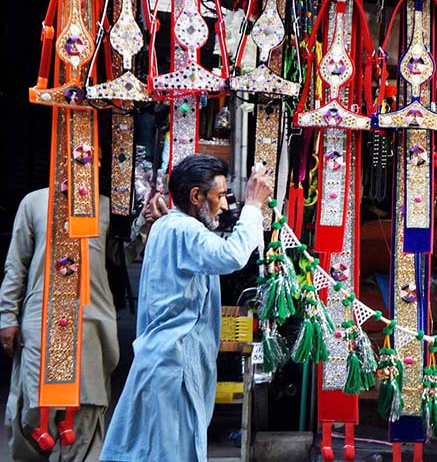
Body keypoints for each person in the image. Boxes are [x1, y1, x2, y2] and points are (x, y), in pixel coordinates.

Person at [100, 155, 271, 462]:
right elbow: (232, 255)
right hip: (173, 367)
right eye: (218, 196)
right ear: (196, 196)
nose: (222, 205)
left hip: (164, 364)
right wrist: (253, 206)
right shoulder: (183, 230)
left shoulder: (171, 226)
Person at [0, 186, 163, 462]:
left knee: (87, 409)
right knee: (34, 406)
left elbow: (120, 255)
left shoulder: (103, 206)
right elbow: (16, 264)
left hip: (91, 323)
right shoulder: (34, 203)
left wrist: (144, 225)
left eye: (96, 157)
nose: (90, 160)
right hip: (41, 320)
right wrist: (7, 317)